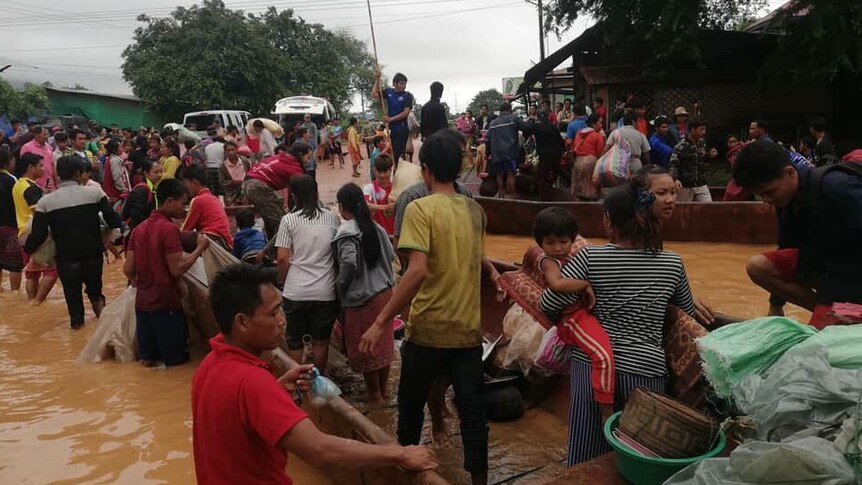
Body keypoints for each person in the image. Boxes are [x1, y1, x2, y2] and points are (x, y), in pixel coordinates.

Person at [192, 264, 437, 484]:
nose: (282, 321)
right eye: (273, 312)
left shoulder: (209, 365)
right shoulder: (252, 382)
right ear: (242, 323)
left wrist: (276, 389)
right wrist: (401, 453)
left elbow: (235, 426)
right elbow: (319, 450)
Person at [359, 129, 489, 485]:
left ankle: (407, 472)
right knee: (474, 416)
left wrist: (381, 321)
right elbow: (474, 262)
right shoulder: (476, 211)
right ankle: (479, 479)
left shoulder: (419, 208)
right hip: (467, 332)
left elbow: (416, 272)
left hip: (429, 330)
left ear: (426, 170)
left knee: (410, 409)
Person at [540, 183, 696, 466]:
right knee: (638, 459)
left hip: (591, 368)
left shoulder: (589, 257)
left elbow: (548, 304)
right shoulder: (672, 263)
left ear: (609, 221)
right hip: (647, 371)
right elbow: (686, 314)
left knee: (585, 459)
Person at [733, 140, 862, 329]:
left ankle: (842, 313)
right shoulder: (785, 199)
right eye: (761, 195)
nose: (767, 200)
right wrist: (776, 305)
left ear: (790, 173)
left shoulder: (837, 187)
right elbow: (786, 246)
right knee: (758, 267)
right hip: (828, 265)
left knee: (823, 347)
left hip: (850, 270)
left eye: (769, 192)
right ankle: (828, 310)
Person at [25, 155, 122, 329]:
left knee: (73, 299)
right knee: (96, 294)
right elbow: (113, 220)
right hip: (93, 255)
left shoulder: (45, 202)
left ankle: (77, 333)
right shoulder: (95, 193)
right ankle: (106, 330)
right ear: (78, 173)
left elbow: (38, 235)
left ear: (58, 174)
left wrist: (27, 248)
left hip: (66, 259)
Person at [533, 208, 616, 409]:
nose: (558, 248)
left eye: (563, 242)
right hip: (572, 318)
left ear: (572, 240)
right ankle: (605, 407)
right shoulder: (549, 262)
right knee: (603, 356)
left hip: (580, 314)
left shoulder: (572, 259)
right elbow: (557, 285)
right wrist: (585, 284)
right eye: (550, 243)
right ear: (540, 244)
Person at [124, 178, 209, 366]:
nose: (184, 208)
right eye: (182, 202)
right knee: (175, 364)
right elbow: (176, 268)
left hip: (143, 306)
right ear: (169, 201)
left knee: (147, 362)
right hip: (166, 305)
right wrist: (199, 249)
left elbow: (128, 269)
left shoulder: (138, 230)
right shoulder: (169, 229)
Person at [334, 183, 396, 403]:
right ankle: (384, 392)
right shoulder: (377, 228)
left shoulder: (346, 231)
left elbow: (349, 262)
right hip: (385, 295)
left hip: (362, 299)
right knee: (383, 344)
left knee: (366, 347)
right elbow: (390, 257)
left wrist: (341, 284)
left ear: (342, 207)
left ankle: (375, 396)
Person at [276, 174, 340, 371]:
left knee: (295, 340)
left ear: (294, 196)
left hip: (295, 291)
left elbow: (282, 258)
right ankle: (316, 383)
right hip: (325, 291)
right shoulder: (332, 218)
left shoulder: (288, 220)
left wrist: (283, 281)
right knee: (321, 341)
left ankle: (297, 385)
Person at [12, 152, 58, 303]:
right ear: (30, 168)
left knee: (32, 272)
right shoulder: (31, 188)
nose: (44, 169)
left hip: (22, 232)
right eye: (40, 166)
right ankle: (37, 302)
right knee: (52, 270)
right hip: (35, 233)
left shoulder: (18, 184)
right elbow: (38, 213)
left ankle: (32, 301)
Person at [242, 142, 307, 239]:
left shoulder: (282, 157)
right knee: (280, 223)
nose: (308, 161)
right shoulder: (295, 166)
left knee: (269, 219)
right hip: (259, 186)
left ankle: (271, 247)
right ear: (301, 155)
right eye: (308, 157)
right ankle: (277, 250)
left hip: (248, 183)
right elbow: (298, 193)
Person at [181, 165, 233, 249]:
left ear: (194, 182)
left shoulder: (198, 200)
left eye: (186, 184)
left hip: (213, 241)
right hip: (226, 242)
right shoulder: (214, 198)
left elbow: (185, 230)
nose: (186, 188)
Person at [487, 102, 527, 198]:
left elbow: (488, 139)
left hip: (497, 153)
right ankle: (512, 196)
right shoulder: (513, 119)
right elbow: (524, 127)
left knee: (499, 174)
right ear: (509, 109)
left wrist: (488, 152)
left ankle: (501, 194)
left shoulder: (492, 123)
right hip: (510, 152)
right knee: (511, 174)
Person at [522, 110, 565, 199]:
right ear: (548, 117)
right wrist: (563, 150)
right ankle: (552, 187)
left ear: (538, 118)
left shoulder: (537, 127)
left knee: (542, 174)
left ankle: (543, 193)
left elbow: (525, 132)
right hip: (555, 153)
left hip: (544, 155)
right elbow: (560, 140)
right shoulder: (553, 127)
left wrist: (531, 122)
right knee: (557, 171)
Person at [373, 71, 414, 163]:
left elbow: (406, 112)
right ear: (395, 84)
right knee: (393, 153)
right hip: (392, 130)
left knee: (397, 154)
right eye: (401, 83)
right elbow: (374, 94)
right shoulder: (388, 92)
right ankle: (395, 171)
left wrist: (390, 119)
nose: (404, 86)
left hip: (402, 129)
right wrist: (377, 79)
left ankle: (397, 172)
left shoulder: (407, 96)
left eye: (405, 84)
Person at [670, 118, 711, 202]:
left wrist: (710, 155)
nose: (704, 132)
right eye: (701, 129)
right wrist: (675, 179)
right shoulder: (681, 146)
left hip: (701, 182)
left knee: (708, 207)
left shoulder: (702, 143)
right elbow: (673, 164)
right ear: (693, 129)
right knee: (684, 211)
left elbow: (702, 159)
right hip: (685, 184)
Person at [0, 148, 23, 291]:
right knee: (15, 265)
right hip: (10, 227)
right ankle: (15, 294)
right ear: (8, 162)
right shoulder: (13, 180)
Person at [603, 112, 651, 176]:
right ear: (633, 122)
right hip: (635, 165)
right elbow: (646, 154)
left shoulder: (615, 133)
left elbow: (605, 150)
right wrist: (647, 166)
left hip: (618, 164)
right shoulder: (641, 135)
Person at [123, 160, 162, 231]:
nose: (160, 175)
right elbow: (136, 217)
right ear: (146, 173)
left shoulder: (153, 188)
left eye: (161, 172)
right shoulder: (141, 191)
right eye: (156, 172)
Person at [363, 154, 396, 235]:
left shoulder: (396, 188)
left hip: (396, 235)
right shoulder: (369, 189)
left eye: (385, 172)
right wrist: (386, 207)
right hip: (379, 236)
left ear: (390, 170)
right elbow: (366, 205)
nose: (382, 175)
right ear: (374, 170)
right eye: (379, 171)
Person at [20, 126, 58, 192]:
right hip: (35, 186)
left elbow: (52, 166)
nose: (47, 137)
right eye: (44, 134)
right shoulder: (27, 147)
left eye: (47, 134)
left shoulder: (49, 147)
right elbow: (24, 167)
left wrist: (56, 182)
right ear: (36, 135)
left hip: (50, 186)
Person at [219, 140, 250, 206]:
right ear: (225, 152)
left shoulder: (244, 161)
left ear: (236, 150)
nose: (231, 152)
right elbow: (222, 181)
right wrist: (234, 182)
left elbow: (250, 175)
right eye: (228, 150)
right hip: (231, 194)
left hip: (245, 192)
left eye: (232, 150)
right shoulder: (223, 166)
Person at [102, 139, 131, 207]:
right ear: (115, 150)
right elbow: (117, 177)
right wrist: (124, 190)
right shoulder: (114, 160)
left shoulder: (111, 159)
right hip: (116, 194)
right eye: (120, 147)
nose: (122, 149)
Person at [204, 129, 225, 194]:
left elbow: (206, 157)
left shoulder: (208, 146)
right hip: (219, 168)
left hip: (209, 168)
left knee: (212, 189)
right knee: (221, 188)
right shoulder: (223, 146)